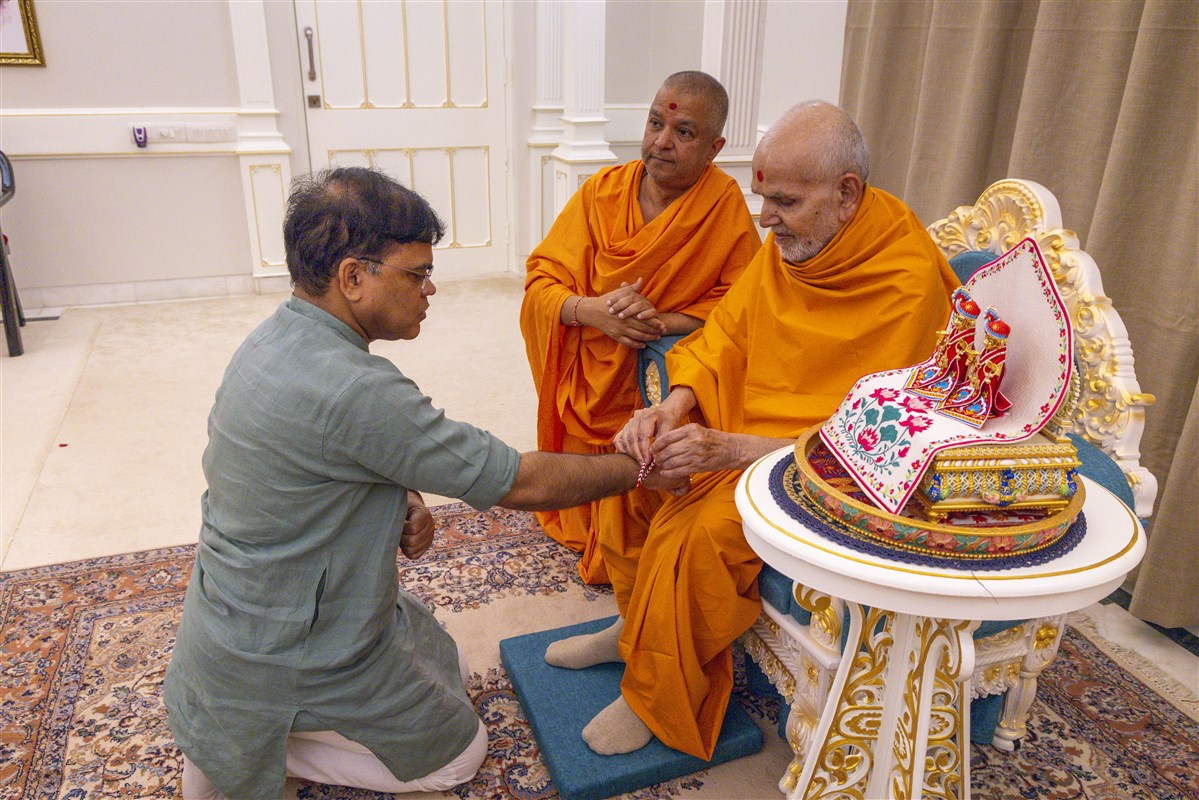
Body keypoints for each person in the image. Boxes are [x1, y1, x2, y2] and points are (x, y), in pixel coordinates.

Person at [163, 167, 685, 800]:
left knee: (451, 664)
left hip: (241, 617)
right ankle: (267, 747)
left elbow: (335, 452)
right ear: (353, 278)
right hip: (291, 645)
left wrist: (404, 494)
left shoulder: (275, 338)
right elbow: (520, 483)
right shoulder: (356, 390)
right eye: (417, 274)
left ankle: (242, 727)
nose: (430, 289)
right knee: (460, 757)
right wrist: (643, 469)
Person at [548, 101, 961, 759]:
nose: (765, 218)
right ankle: (634, 631)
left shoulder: (905, 283)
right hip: (748, 427)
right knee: (637, 466)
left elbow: (877, 442)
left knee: (699, 532)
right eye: (764, 197)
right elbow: (726, 337)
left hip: (824, 470)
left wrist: (730, 450)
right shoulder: (800, 247)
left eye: (785, 202)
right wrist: (672, 408)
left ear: (846, 194)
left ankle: (655, 694)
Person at [520, 70, 760, 586]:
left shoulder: (723, 206)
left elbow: (743, 307)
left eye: (683, 132)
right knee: (581, 492)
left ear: (715, 148)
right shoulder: (602, 193)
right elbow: (541, 283)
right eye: (655, 123)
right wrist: (592, 311)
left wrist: (656, 322)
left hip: (664, 369)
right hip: (591, 367)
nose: (661, 141)